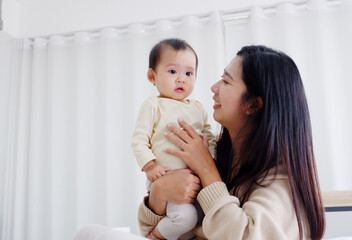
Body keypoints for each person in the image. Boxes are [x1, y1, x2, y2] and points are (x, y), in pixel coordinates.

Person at [74, 45, 325, 240]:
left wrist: (207, 170)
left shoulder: (280, 175)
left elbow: (245, 235)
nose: (213, 87)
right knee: (88, 232)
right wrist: (159, 193)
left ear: (252, 104)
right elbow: (152, 231)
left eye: (226, 81)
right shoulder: (216, 149)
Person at [131, 38, 216, 240]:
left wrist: (209, 159)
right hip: (165, 176)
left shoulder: (198, 108)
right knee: (185, 219)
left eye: (188, 73)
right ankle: (154, 237)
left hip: (197, 181)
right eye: (172, 72)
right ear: (152, 76)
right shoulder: (153, 105)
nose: (181, 79)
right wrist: (150, 166)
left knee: (200, 222)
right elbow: (139, 140)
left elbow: (209, 138)